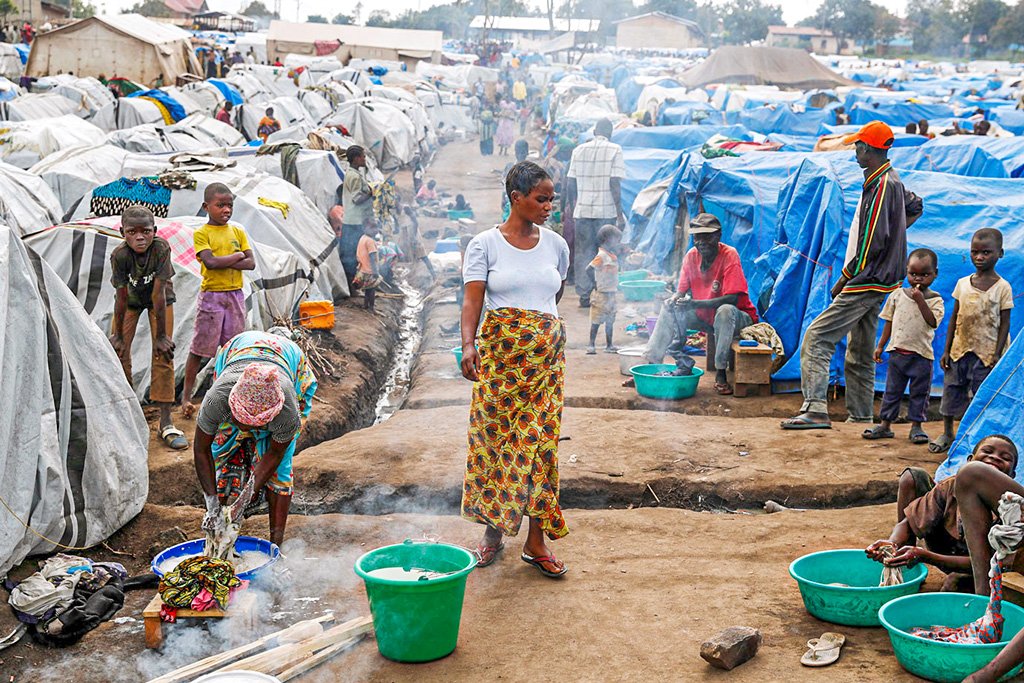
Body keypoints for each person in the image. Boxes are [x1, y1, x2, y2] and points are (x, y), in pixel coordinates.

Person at [460, 161, 570, 579]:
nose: (548, 206)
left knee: (542, 448)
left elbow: (551, 298)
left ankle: (536, 541)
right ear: (516, 199)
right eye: (541, 199)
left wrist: (537, 336)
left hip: (544, 367)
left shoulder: (556, 245)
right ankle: (493, 534)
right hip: (500, 366)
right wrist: (469, 346)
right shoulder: (484, 245)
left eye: (550, 199)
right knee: (496, 444)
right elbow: (473, 302)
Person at [782, 121, 923, 430]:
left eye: (858, 146)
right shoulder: (888, 180)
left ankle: (815, 408)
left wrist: (845, 277)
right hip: (882, 279)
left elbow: (872, 243)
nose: (854, 151)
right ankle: (860, 415)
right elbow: (916, 206)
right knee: (859, 350)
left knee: (817, 338)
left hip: (867, 279)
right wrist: (897, 238)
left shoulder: (883, 186)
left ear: (869, 149)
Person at [195, 329, 317, 548]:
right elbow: (201, 450)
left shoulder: (287, 411)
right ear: (232, 405)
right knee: (221, 450)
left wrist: (245, 497)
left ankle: (275, 549)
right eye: (242, 421)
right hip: (239, 349)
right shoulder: (217, 398)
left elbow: (276, 453)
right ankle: (216, 535)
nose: (248, 428)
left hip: (288, 359)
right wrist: (212, 505)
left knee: (280, 472)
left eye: (257, 424)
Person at [865, 435, 1018, 593]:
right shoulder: (950, 486)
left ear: (1011, 477)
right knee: (913, 476)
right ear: (970, 461)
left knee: (954, 583)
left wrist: (926, 556)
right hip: (947, 549)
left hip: (983, 568)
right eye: (987, 451)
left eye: (1005, 458)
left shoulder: (1012, 507)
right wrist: (892, 544)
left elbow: (994, 563)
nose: (994, 457)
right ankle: (904, 566)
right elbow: (907, 523)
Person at [643, 213, 759, 394]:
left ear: (718, 236)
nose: (702, 241)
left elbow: (733, 299)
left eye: (707, 236)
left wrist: (694, 303)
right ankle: (651, 365)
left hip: (737, 318)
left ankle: (721, 372)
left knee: (725, 310)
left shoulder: (729, 255)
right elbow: (680, 291)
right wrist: (674, 300)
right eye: (698, 237)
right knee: (669, 308)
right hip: (706, 317)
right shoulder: (691, 256)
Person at [108, 205, 187, 450]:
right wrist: (118, 335)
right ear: (123, 232)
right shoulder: (120, 256)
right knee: (118, 353)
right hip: (129, 301)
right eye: (132, 232)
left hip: (159, 301)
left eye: (146, 231)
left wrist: (162, 336)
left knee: (164, 352)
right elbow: (121, 296)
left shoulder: (161, 248)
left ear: (155, 230)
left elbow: (159, 293)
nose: (140, 237)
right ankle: (129, 416)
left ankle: (165, 422)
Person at [930, 228, 1013, 453]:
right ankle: (948, 433)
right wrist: (946, 350)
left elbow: (1005, 323)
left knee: (982, 396)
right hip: (960, 350)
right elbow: (954, 318)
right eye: (975, 252)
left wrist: (997, 353)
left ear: (1000, 253)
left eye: (986, 252)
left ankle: (978, 439)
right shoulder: (962, 284)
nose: (979, 257)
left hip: (987, 355)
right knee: (951, 391)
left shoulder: (1003, 287)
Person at [182, 184, 254, 418]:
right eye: (220, 205)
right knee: (200, 348)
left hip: (234, 295)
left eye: (230, 205)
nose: (226, 210)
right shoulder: (202, 233)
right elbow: (210, 263)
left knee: (233, 347)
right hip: (212, 296)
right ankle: (186, 397)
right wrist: (236, 257)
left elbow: (251, 263)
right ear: (206, 206)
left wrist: (226, 260)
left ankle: (230, 394)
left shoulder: (237, 231)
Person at [864, 249, 944, 444]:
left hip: (922, 356)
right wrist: (880, 345)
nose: (918, 279)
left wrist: (920, 301)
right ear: (906, 271)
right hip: (898, 353)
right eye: (913, 274)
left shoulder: (935, 300)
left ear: (935, 274)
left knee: (919, 393)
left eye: (925, 275)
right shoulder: (897, 295)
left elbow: (932, 322)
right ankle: (885, 425)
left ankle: (916, 427)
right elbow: (889, 322)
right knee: (892, 391)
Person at [567, 118, 625, 308]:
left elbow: (570, 183)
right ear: (610, 133)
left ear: (594, 132)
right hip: (605, 210)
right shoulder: (615, 150)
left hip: (582, 211)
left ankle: (584, 295)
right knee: (606, 253)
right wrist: (619, 214)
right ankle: (603, 294)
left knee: (583, 252)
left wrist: (571, 205)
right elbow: (614, 183)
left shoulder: (578, 150)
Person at [339, 146, 373, 287]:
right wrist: (371, 193)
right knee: (354, 254)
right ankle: (353, 284)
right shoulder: (354, 176)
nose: (364, 159)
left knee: (352, 253)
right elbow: (357, 198)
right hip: (355, 221)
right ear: (356, 158)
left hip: (354, 220)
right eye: (363, 156)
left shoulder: (354, 174)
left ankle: (354, 283)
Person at [586, 225, 622, 355]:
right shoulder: (601, 256)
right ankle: (591, 344)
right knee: (596, 320)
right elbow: (589, 269)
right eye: (616, 240)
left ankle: (609, 345)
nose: (618, 243)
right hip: (601, 294)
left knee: (610, 320)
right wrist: (595, 284)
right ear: (607, 239)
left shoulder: (612, 256)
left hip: (611, 293)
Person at [352, 218, 382, 312]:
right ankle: (371, 308)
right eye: (373, 228)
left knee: (367, 289)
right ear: (366, 228)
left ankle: (366, 305)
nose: (375, 230)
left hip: (362, 268)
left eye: (376, 228)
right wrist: (375, 271)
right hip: (369, 270)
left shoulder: (363, 238)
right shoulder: (370, 241)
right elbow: (372, 257)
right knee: (371, 290)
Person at [501, 139, 530, 220]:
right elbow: (504, 186)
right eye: (518, 152)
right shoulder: (509, 167)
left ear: (527, 152)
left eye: (523, 152)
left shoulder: (532, 171)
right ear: (515, 152)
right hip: (510, 205)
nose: (520, 154)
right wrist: (503, 198)